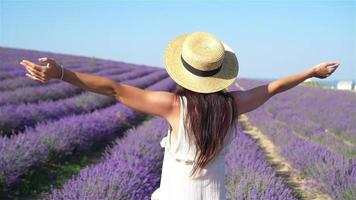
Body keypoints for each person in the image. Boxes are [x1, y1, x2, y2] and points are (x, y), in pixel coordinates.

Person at [19, 32, 339, 200]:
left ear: (184, 72)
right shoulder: (232, 106)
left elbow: (115, 89)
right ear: (219, 74)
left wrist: (60, 72)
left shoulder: (173, 105)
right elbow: (274, 88)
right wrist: (312, 70)